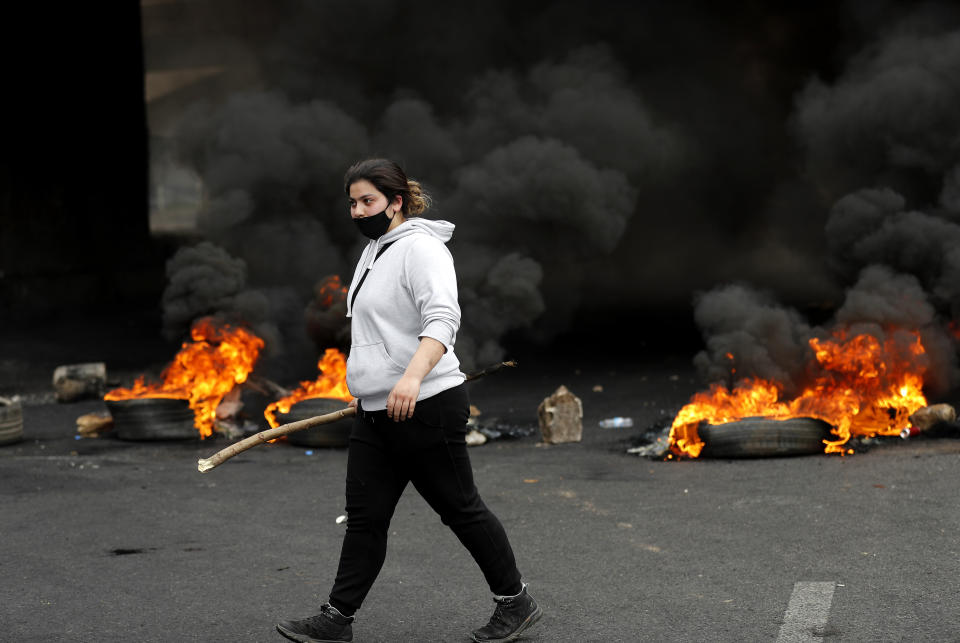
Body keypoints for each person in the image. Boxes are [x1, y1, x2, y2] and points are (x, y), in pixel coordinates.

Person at [276, 159, 541, 643]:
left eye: (368, 201)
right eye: (353, 203)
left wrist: (410, 380)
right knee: (366, 518)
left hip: (427, 405)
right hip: (375, 412)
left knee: (460, 509)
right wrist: (371, 388)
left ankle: (515, 602)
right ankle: (337, 618)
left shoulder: (422, 249)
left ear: (396, 202)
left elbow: (442, 319)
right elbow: (378, 333)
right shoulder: (375, 250)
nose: (358, 211)